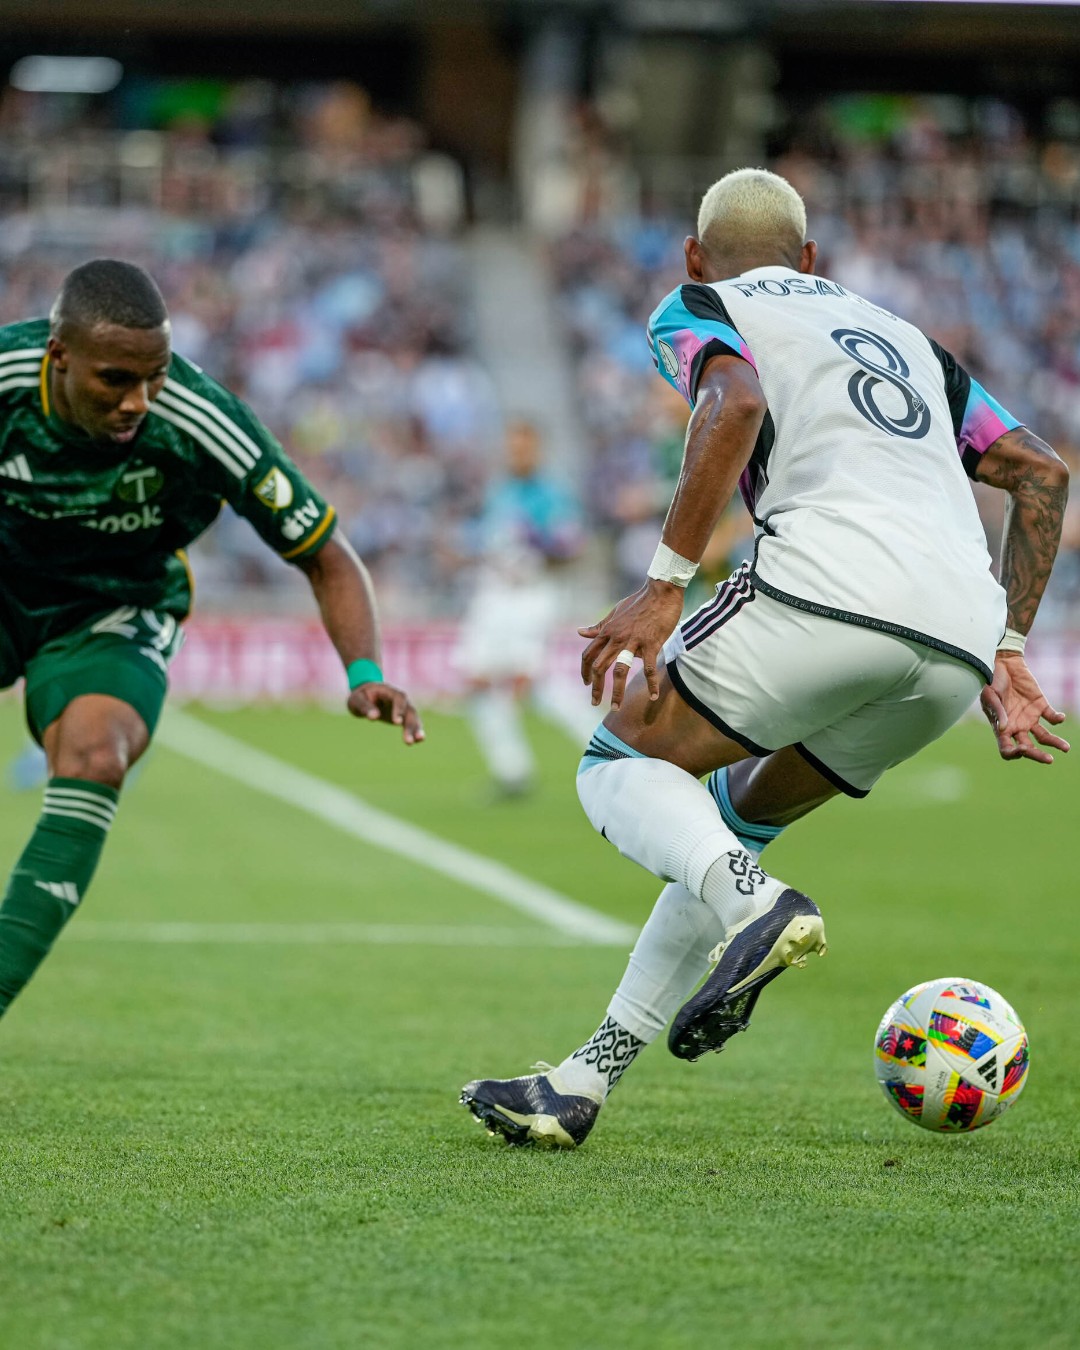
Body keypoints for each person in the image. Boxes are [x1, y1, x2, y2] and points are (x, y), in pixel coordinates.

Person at [460, 168, 1068, 1149]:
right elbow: (1039, 470)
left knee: (618, 763)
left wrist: (663, 584)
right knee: (736, 821)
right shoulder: (908, 339)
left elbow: (734, 400)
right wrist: (1005, 647)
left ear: (695, 255)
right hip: (956, 637)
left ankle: (757, 904)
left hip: (822, 583)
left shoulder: (703, 303)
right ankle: (585, 1080)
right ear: (812, 260)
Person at [0, 259, 423, 1022]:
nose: (139, 400)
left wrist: (363, 669)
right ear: (58, 357)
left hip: (113, 608)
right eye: (115, 380)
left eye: (154, 376)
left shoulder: (199, 420)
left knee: (98, 751)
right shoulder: (5, 382)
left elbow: (327, 555)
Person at [454, 418, 591, 798]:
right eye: (512, 445)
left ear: (537, 448)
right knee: (478, 680)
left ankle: (602, 749)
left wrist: (539, 551)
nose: (517, 453)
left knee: (523, 680)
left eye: (524, 446)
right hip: (493, 593)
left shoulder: (552, 494)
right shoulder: (499, 490)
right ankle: (511, 769)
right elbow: (490, 541)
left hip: (532, 595)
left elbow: (572, 547)